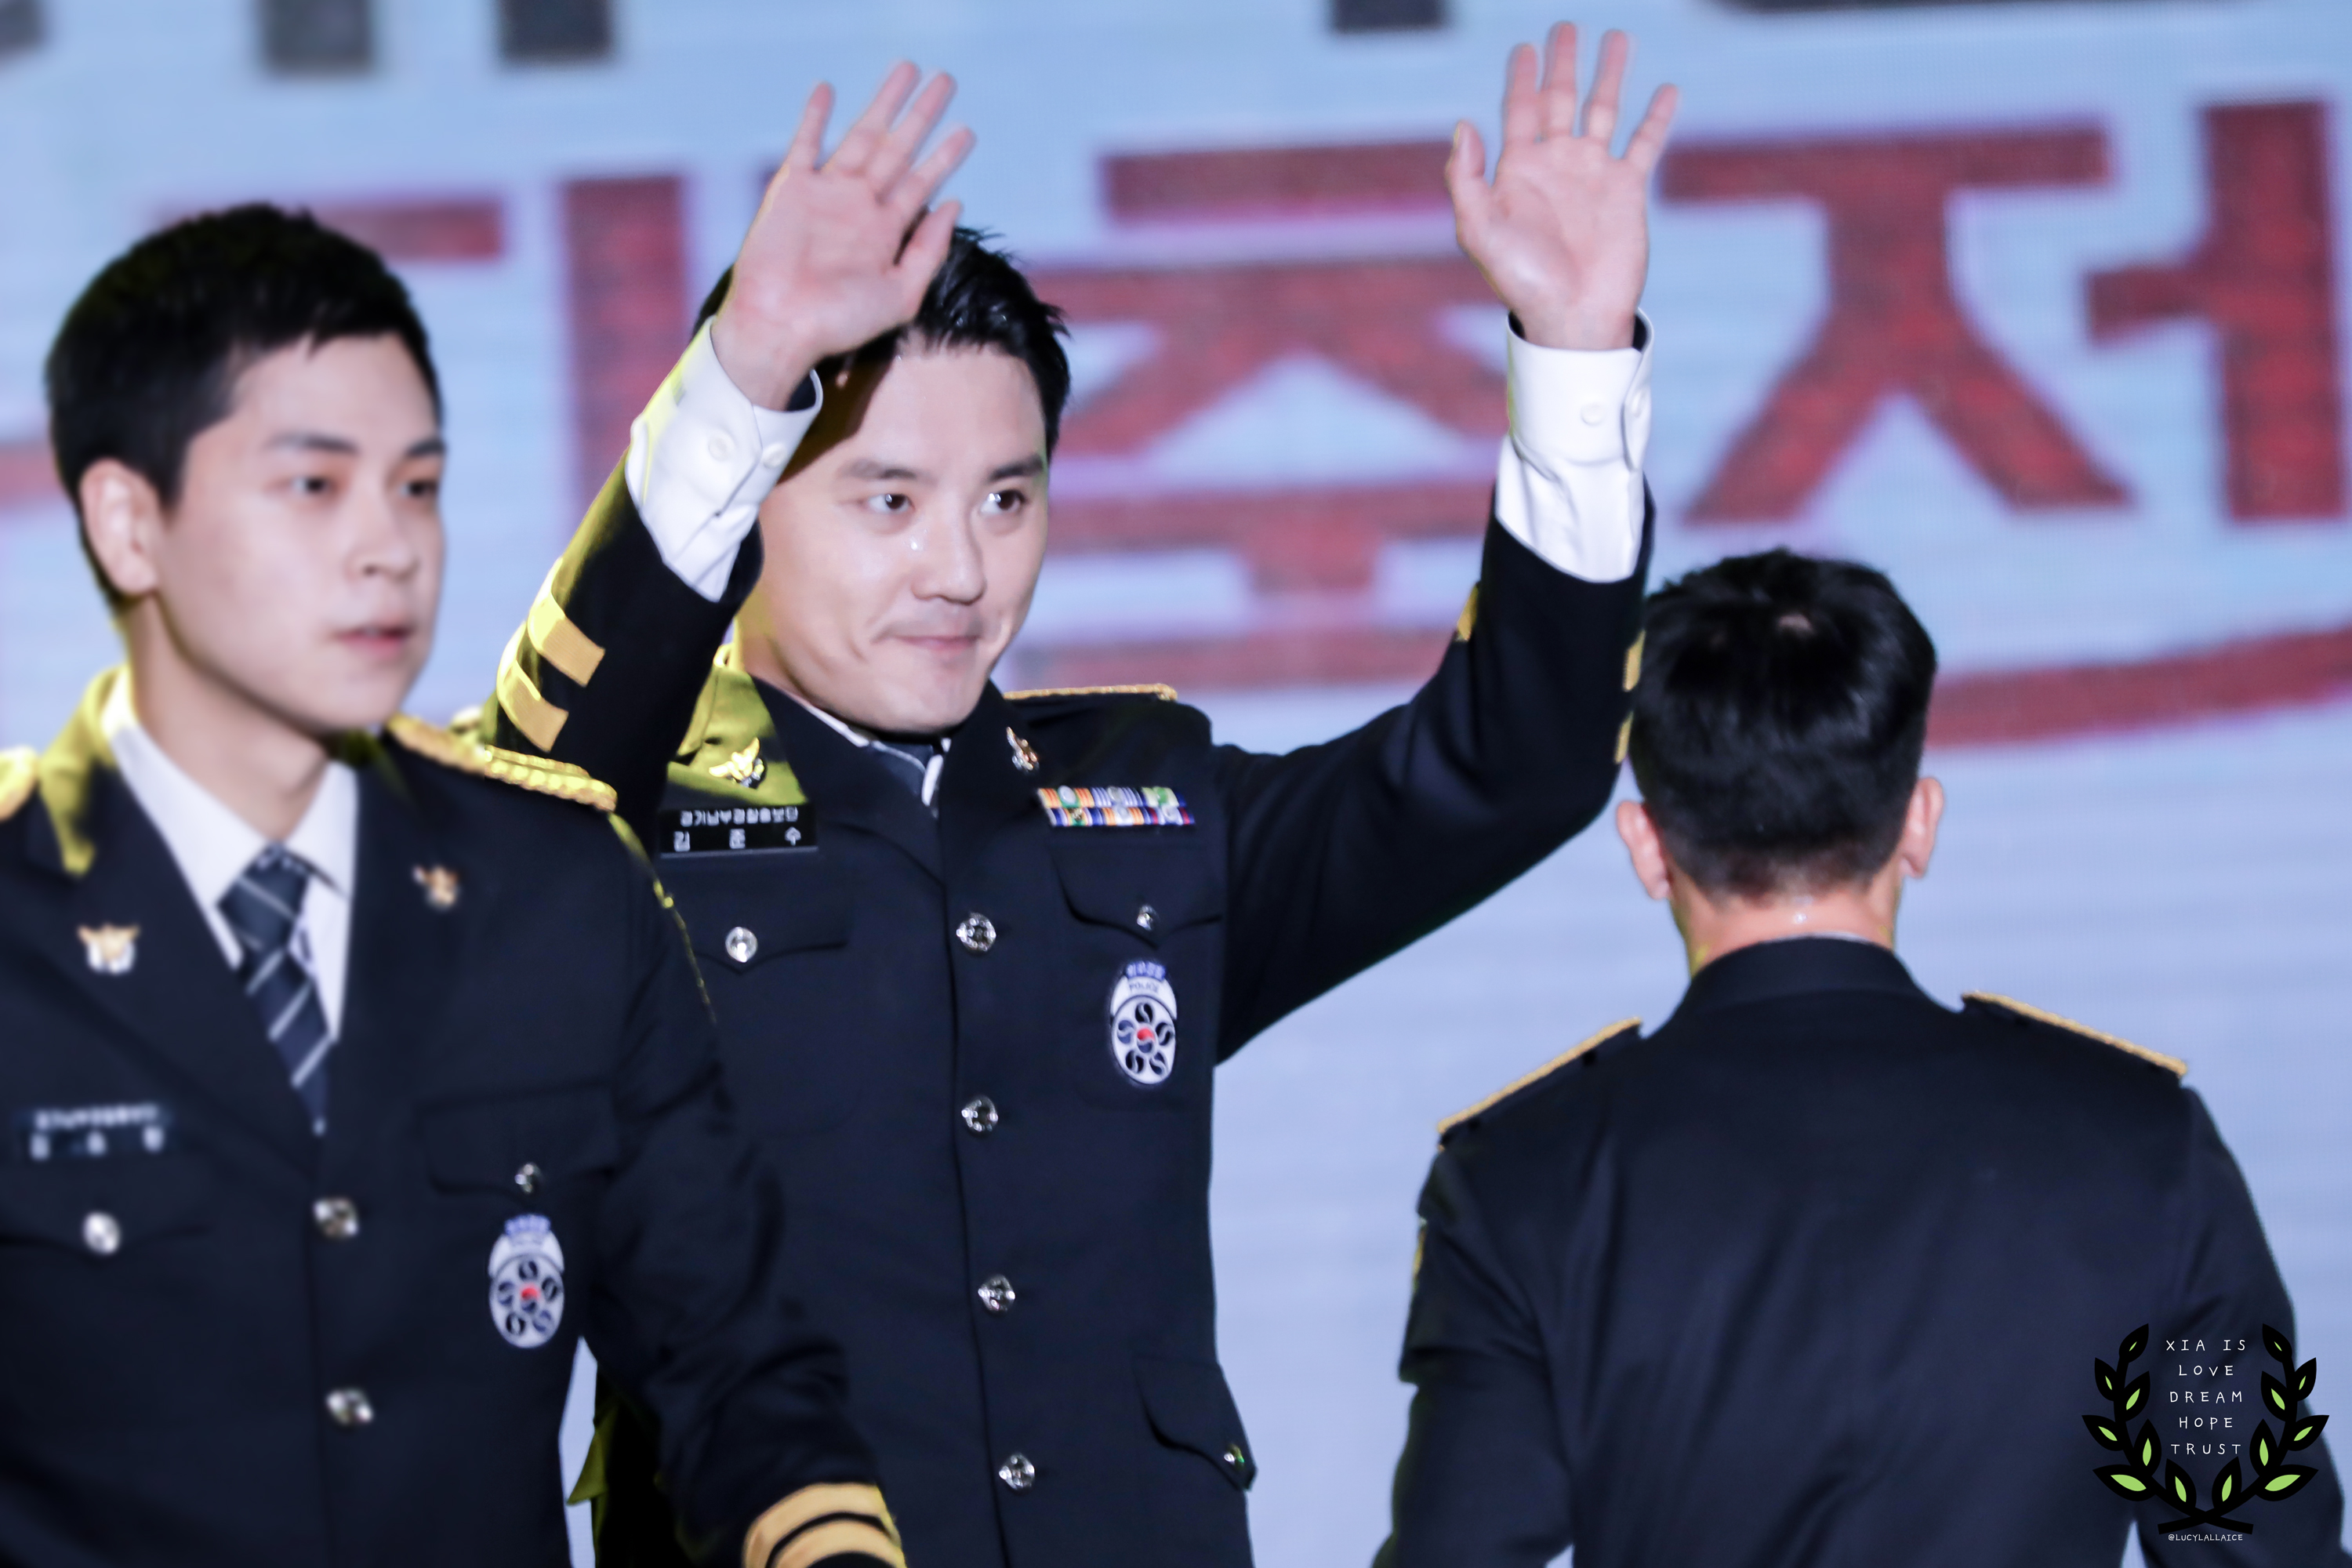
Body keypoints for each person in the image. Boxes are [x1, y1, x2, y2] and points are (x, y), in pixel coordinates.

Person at [475, 25, 1675, 1566]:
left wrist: (1573, 359)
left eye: (1008, 498)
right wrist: (748, 370)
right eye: (889, 500)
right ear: (752, 496)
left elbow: (1509, 765)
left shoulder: (1146, 804)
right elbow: (506, 808)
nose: (960, 570)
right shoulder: (621, 826)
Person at [0, 205, 902, 1568]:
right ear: (131, 524)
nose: (390, 547)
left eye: (416, 486)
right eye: (315, 486)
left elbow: (736, 1365)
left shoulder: (559, 895)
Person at [1375, 549, 2350, 1566]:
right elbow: (2256, 1552)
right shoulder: (2139, 1147)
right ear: (1919, 823)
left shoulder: (1520, 1178)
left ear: (1647, 845)